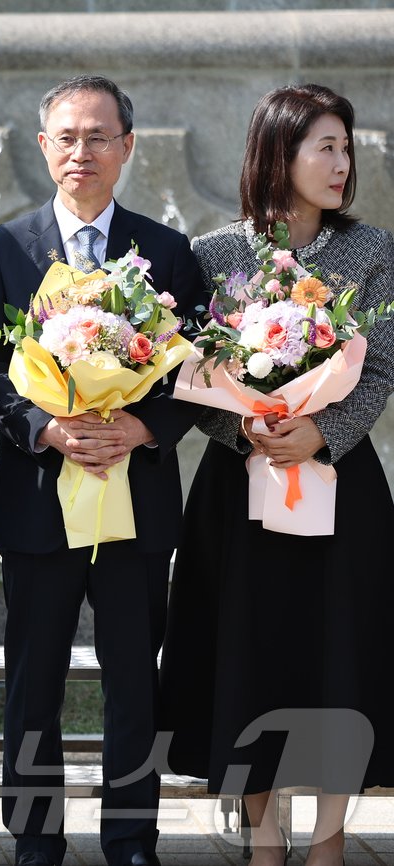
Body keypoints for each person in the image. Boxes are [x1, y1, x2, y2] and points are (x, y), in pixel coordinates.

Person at [0, 75, 205, 866]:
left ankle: (132, 836)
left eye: (99, 136)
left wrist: (142, 424)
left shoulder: (167, 251)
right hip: (39, 500)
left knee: (134, 677)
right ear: (43, 148)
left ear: (127, 148)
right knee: (35, 679)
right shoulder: (3, 248)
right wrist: (44, 429)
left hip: (135, 498)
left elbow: (196, 376)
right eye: (66, 137)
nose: (82, 151)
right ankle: (35, 835)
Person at [159, 84, 394, 866]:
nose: (340, 163)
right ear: (277, 153)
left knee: (337, 654)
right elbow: (187, 379)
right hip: (239, 486)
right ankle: (264, 837)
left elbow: (379, 368)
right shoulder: (214, 255)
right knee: (247, 652)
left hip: (340, 483)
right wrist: (254, 429)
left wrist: (319, 432)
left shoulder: (371, 253)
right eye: (323, 146)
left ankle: (327, 841)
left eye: (345, 148)